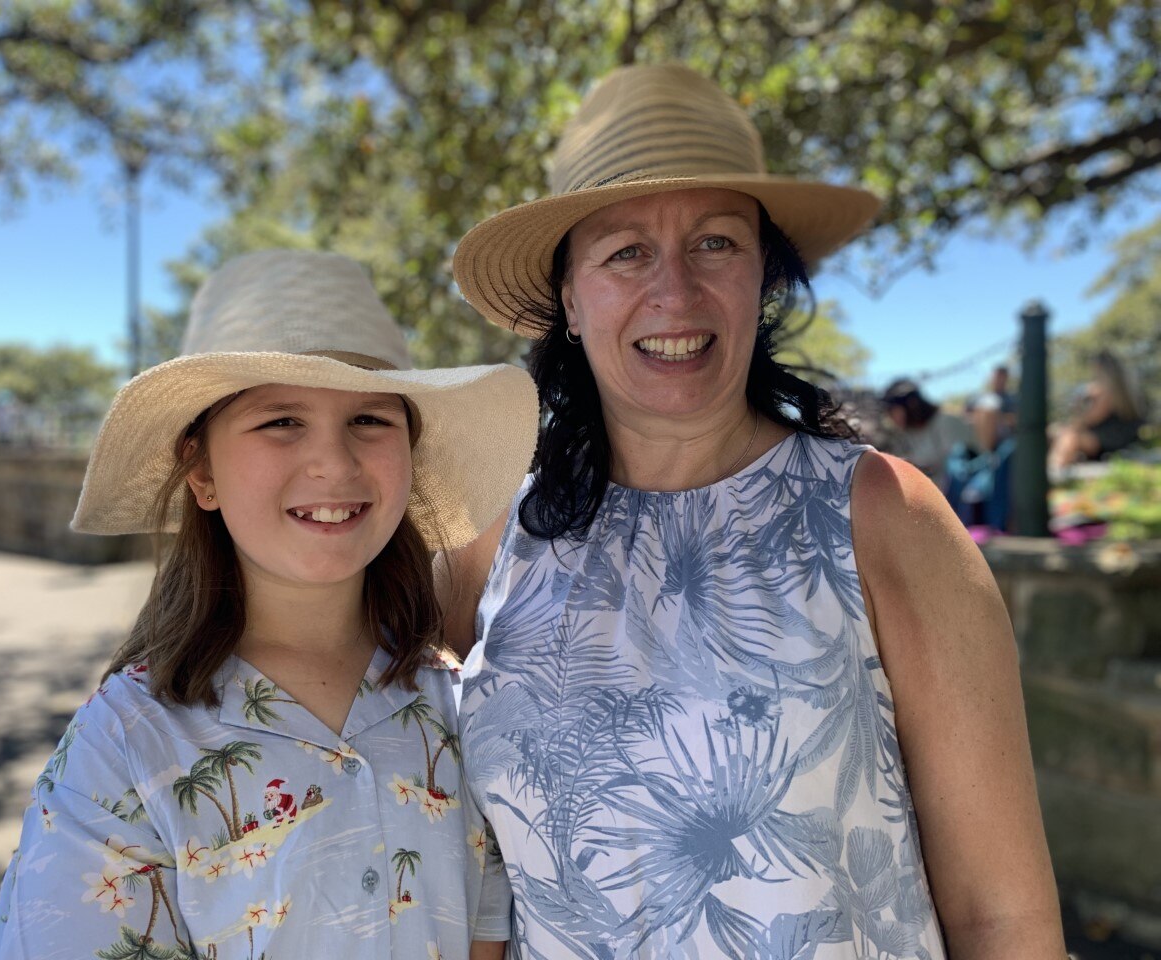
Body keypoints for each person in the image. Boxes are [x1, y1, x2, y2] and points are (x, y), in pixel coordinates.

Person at [446, 64, 1064, 959]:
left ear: (763, 279)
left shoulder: (882, 515)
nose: (676, 294)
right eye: (625, 252)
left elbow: (1001, 917)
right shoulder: (490, 546)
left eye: (716, 244)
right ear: (569, 302)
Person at [0, 250, 538, 959]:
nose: (334, 464)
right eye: (281, 422)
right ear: (202, 471)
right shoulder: (127, 746)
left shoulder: (461, 708)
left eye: (370, 418)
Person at [1049, 350, 1148, 469]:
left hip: (1109, 441)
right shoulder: (1126, 390)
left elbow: (1088, 420)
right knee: (1059, 432)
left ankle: (1051, 473)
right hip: (1123, 438)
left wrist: (1079, 404)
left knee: (1068, 436)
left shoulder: (1105, 390)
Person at [880, 378, 977, 490]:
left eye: (893, 410)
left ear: (912, 404)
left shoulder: (945, 421)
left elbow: (956, 466)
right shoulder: (905, 435)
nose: (891, 417)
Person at [968, 364, 1017, 453]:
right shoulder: (979, 397)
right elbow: (966, 414)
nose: (998, 380)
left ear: (1006, 378)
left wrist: (997, 417)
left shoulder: (1012, 399)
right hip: (977, 433)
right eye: (996, 376)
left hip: (1003, 436)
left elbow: (1016, 419)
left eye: (1001, 377)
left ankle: (987, 455)